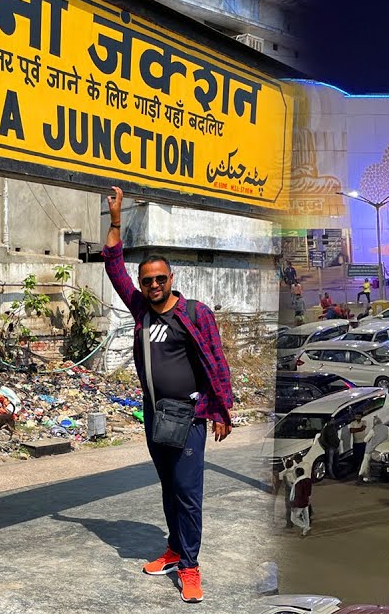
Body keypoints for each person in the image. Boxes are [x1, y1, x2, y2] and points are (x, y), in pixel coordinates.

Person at [104, 187, 232, 605]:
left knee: (188, 492)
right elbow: (112, 266)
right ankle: (175, 550)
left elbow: (216, 361)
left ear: (171, 278)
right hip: (155, 415)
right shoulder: (141, 309)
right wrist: (117, 220)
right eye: (147, 280)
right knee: (167, 487)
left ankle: (191, 567)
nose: (154, 284)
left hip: (190, 414)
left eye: (161, 278)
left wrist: (220, 411)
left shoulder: (194, 313)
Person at [290, 467, 313, 537]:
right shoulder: (308, 480)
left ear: (297, 474)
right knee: (306, 517)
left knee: (293, 518)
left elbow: (297, 495)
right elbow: (309, 492)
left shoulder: (298, 483)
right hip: (306, 500)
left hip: (299, 503)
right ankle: (304, 532)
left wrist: (293, 505)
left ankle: (304, 527)